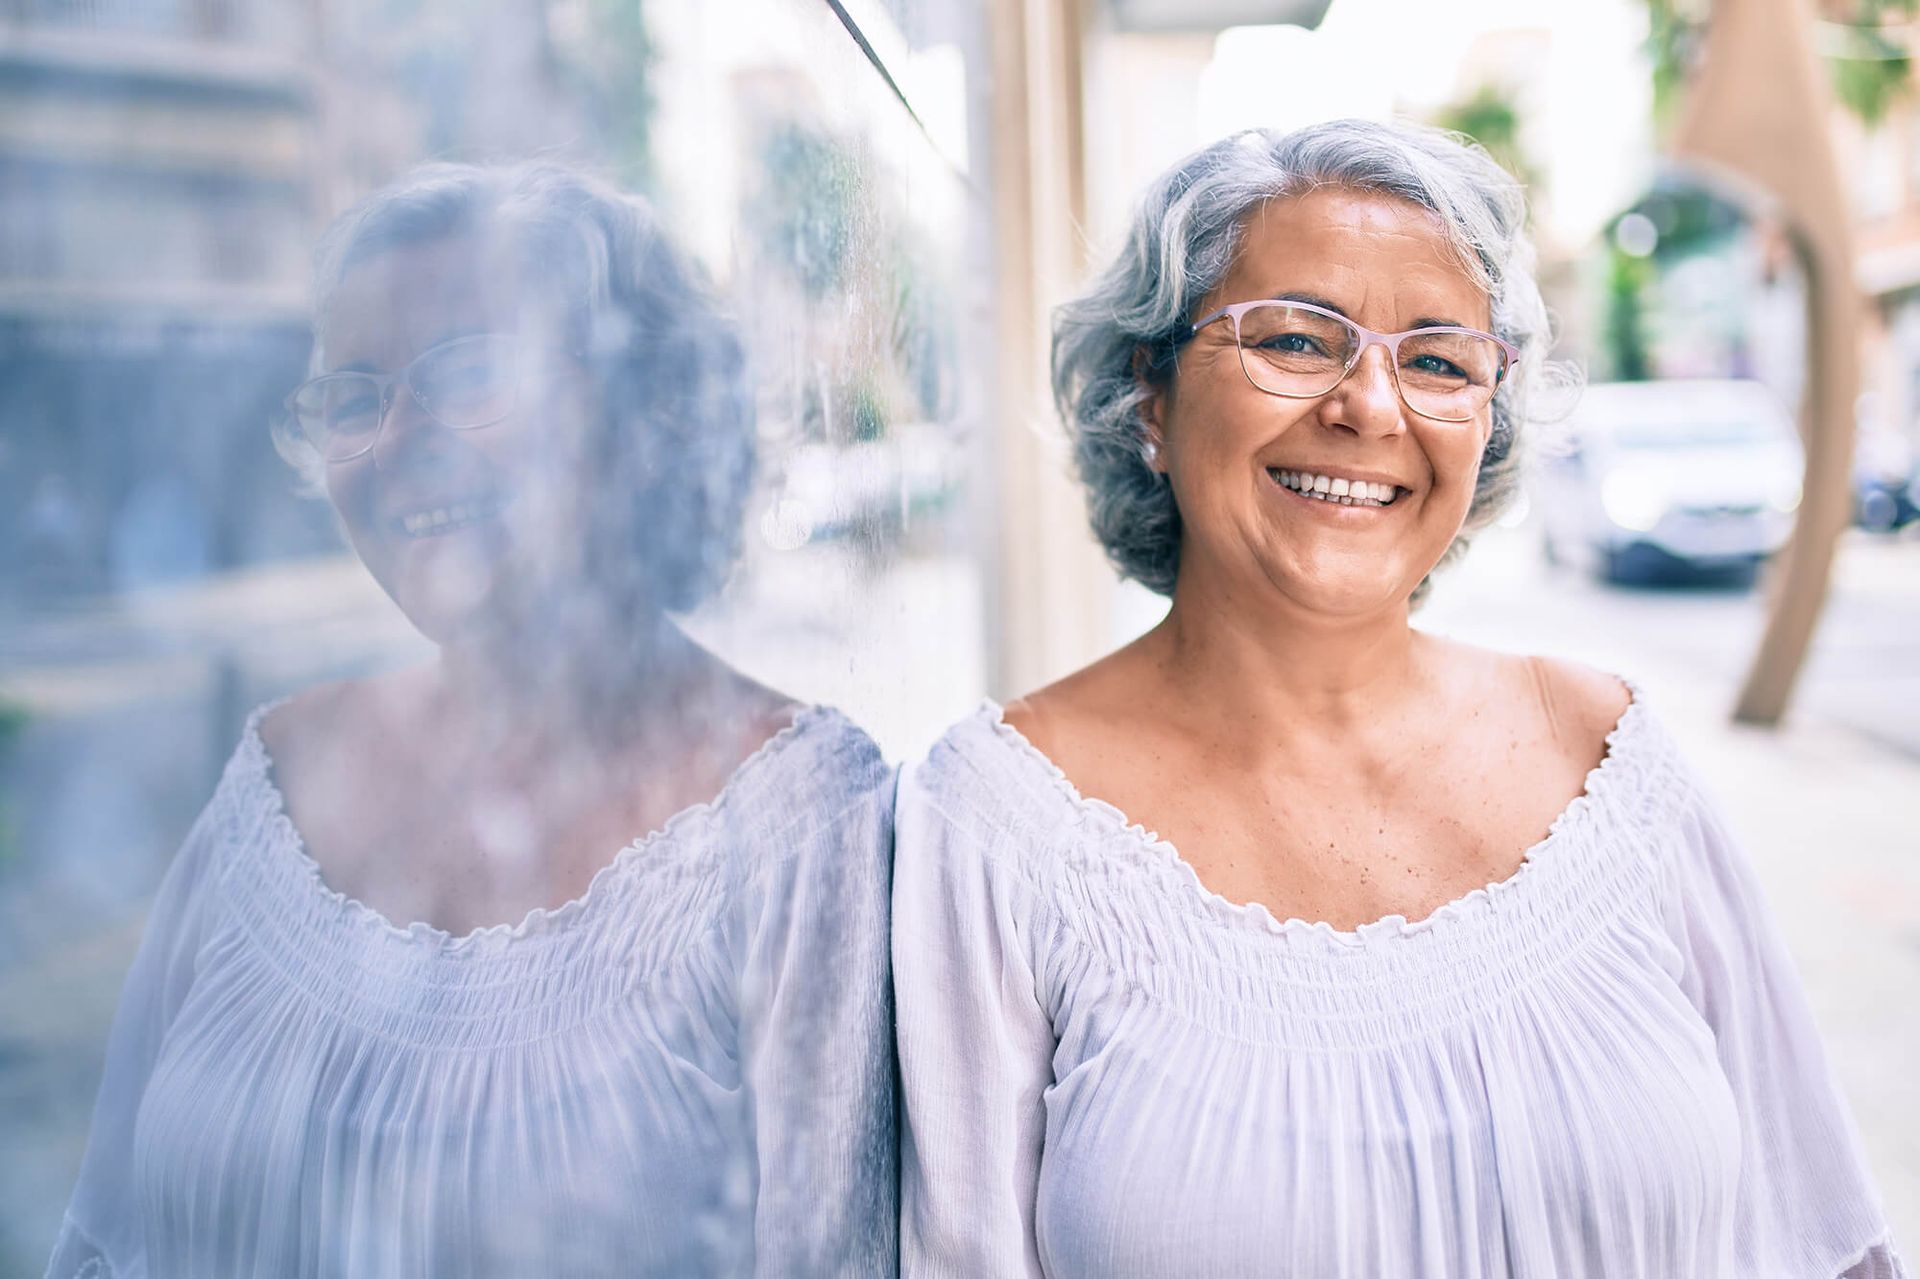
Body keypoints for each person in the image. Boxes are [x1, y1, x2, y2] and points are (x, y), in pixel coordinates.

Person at [892, 119, 1906, 1277]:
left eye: (1436, 359)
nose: (1372, 407)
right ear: (1153, 398)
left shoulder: (1609, 760)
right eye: (1293, 339)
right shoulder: (992, 827)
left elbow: (1825, 1239)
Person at [48, 162, 895, 1277]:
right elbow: (101, 1240)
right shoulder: (273, 781)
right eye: (355, 395)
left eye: (474, 371)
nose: (401, 437)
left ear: (645, 409)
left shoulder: (799, 823)